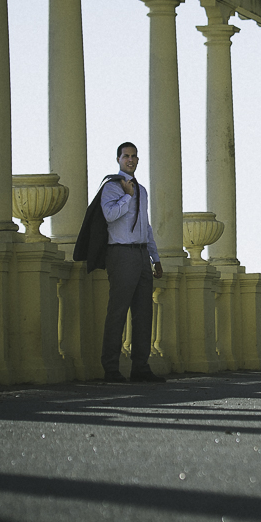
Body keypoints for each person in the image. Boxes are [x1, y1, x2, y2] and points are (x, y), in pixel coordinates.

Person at [100, 142, 165, 383]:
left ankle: (141, 366)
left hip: (140, 255)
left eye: (134, 156)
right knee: (117, 311)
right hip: (121, 254)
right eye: (126, 156)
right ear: (118, 159)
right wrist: (127, 196)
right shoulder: (112, 187)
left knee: (143, 312)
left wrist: (155, 258)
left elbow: (145, 226)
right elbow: (109, 215)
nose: (130, 160)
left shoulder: (143, 190)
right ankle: (110, 368)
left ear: (138, 160)